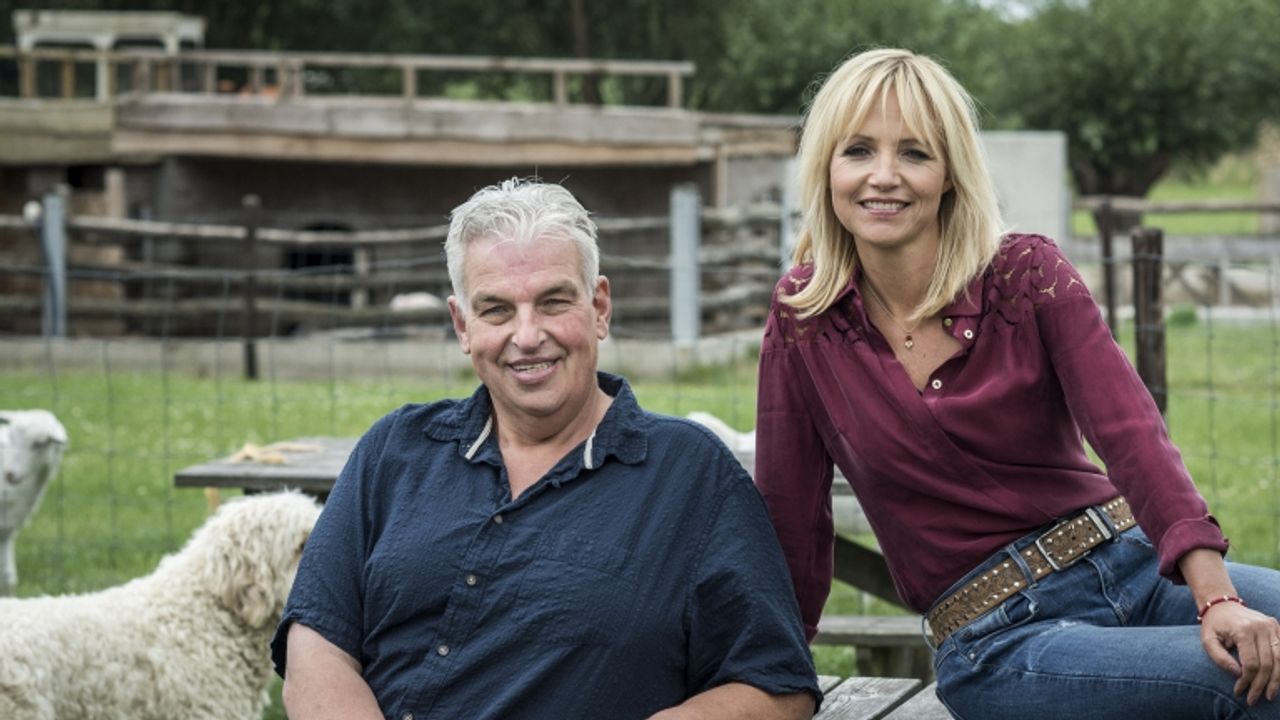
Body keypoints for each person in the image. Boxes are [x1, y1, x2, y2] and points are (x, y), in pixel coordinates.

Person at [755, 47, 1280, 719]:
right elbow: (791, 519)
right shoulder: (803, 320)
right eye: (858, 150)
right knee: (1248, 684)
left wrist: (1216, 595)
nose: (884, 176)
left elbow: (1132, 436)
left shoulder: (1028, 274)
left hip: (1135, 564)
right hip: (1001, 638)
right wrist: (777, 675)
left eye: (914, 153)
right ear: (826, 166)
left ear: (950, 173)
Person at [272, 179, 820, 720]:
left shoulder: (690, 475)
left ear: (599, 307)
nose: (528, 335)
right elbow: (316, 644)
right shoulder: (395, 450)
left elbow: (776, 684)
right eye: (496, 310)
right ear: (462, 325)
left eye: (553, 302)